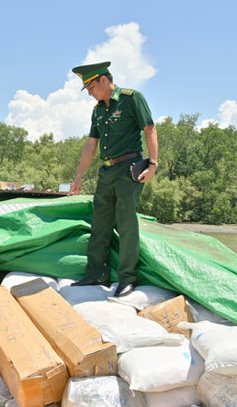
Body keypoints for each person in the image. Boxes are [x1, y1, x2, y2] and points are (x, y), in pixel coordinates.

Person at [68, 61, 158, 298]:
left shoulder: (131, 98)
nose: (89, 93)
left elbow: (149, 129)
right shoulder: (98, 110)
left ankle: (128, 278)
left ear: (104, 80)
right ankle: (97, 274)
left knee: (127, 224)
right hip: (106, 172)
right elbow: (91, 144)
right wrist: (78, 177)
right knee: (99, 223)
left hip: (130, 169)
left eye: (91, 88)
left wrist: (153, 164)